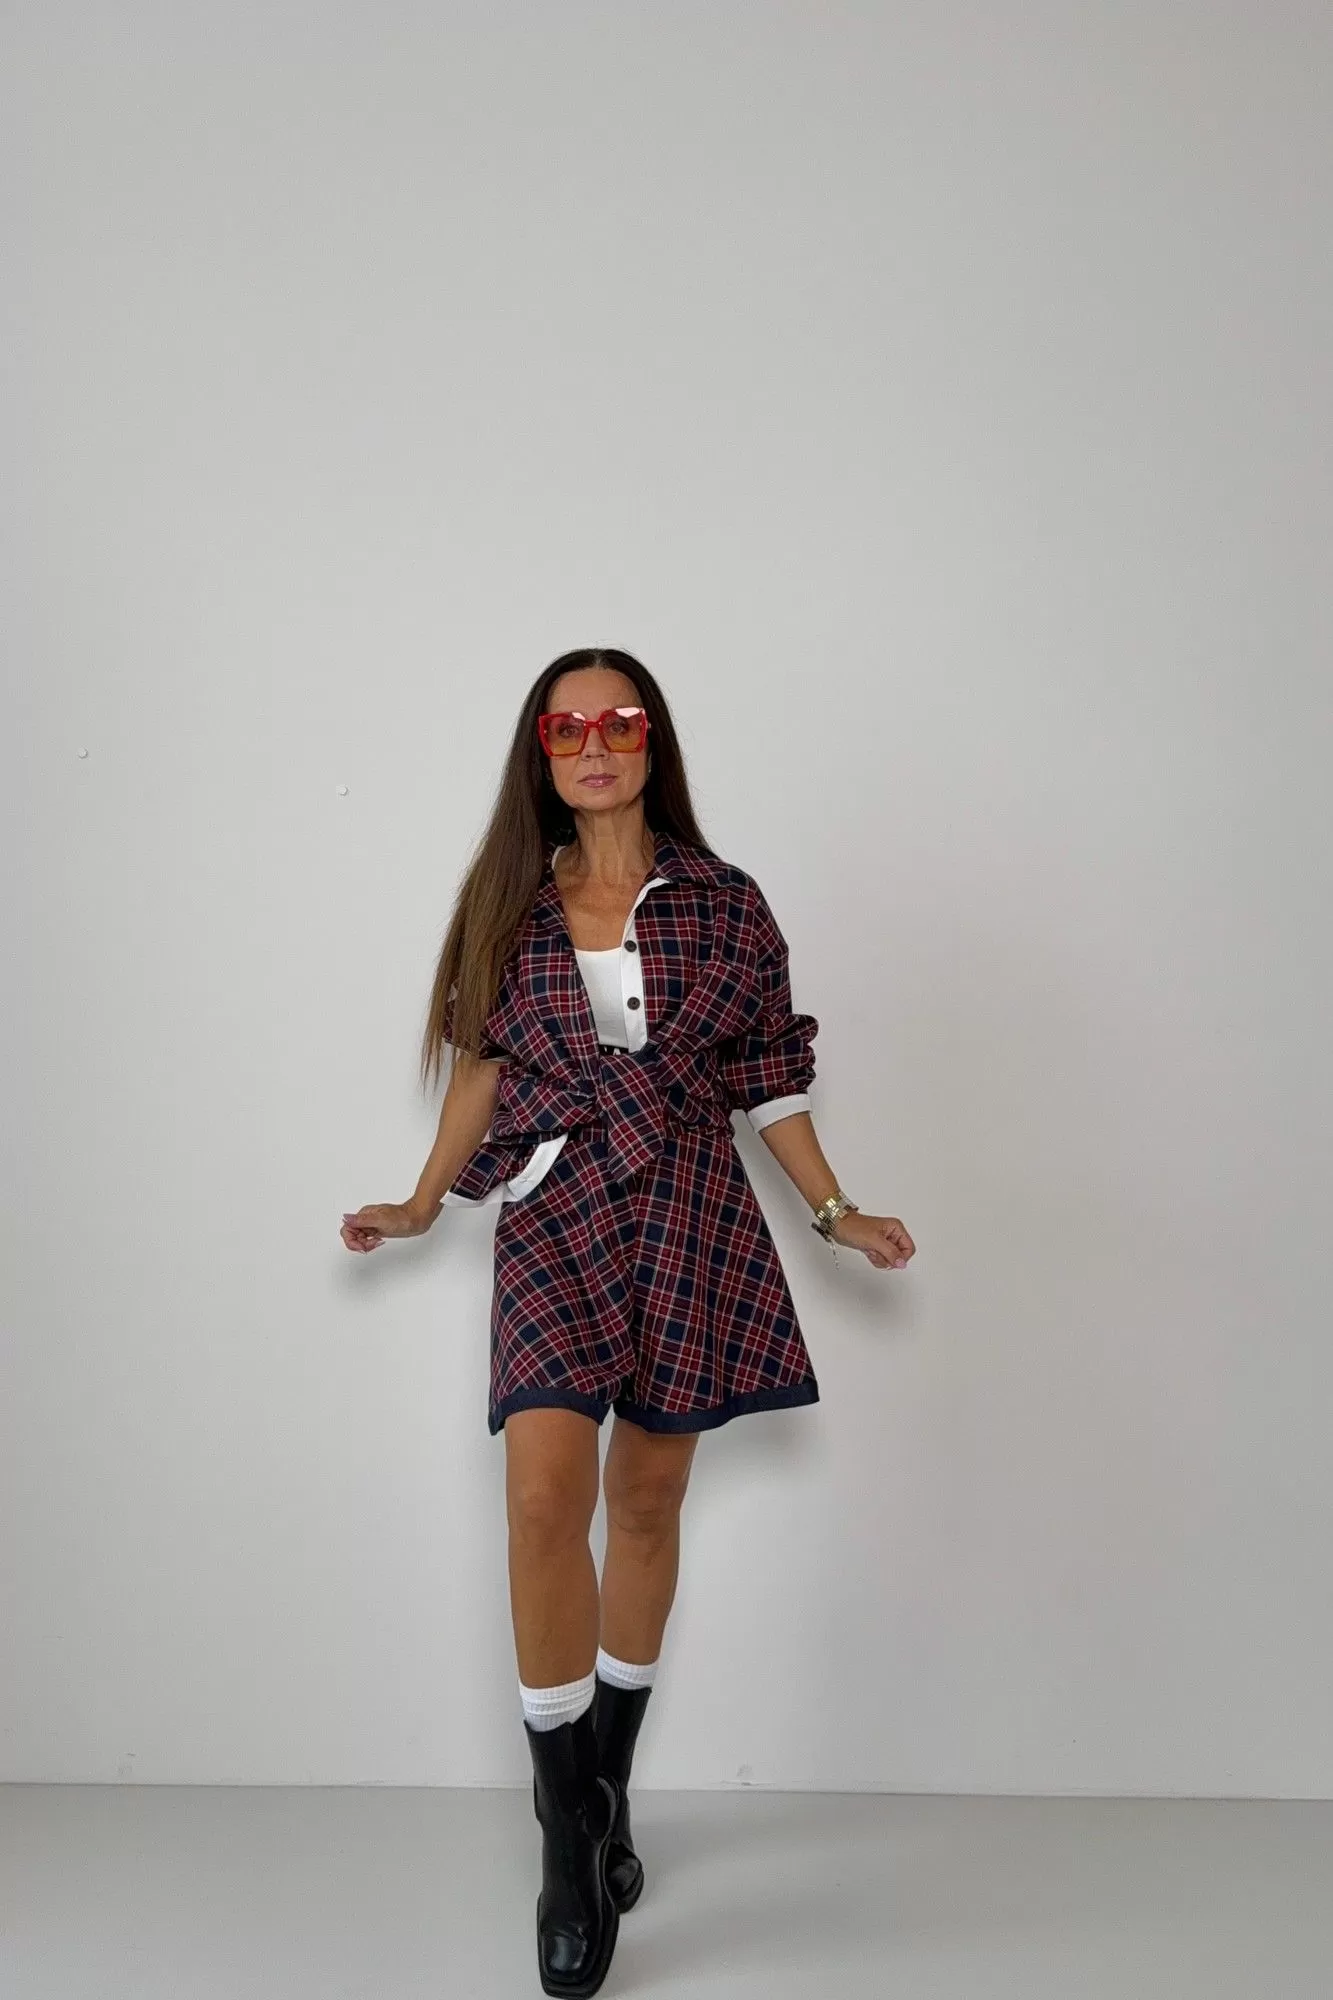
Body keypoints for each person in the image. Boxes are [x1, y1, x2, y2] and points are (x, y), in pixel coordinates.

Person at [341, 647, 916, 1997]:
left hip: (689, 1208)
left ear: (652, 742)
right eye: (566, 727)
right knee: (545, 1499)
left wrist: (837, 1212)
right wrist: (422, 1202)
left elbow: (769, 1078)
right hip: (556, 1213)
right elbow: (483, 1069)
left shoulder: (727, 903)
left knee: (646, 1503)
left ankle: (606, 1780)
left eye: (619, 720)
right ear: (540, 755)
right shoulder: (511, 906)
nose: (594, 743)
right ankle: (566, 1838)